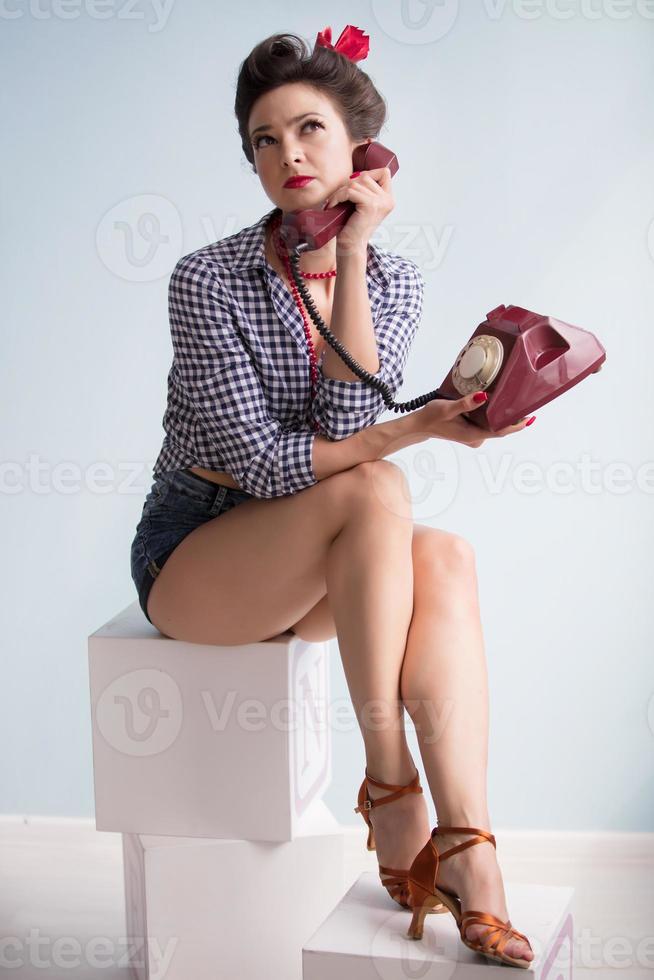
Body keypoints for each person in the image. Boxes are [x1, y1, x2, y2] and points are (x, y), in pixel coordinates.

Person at [129, 24, 535, 967]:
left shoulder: (388, 276)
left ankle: (469, 845)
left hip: (316, 565)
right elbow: (267, 464)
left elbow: (346, 415)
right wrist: (419, 426)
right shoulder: (208, 280)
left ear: (363, 153)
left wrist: (351, 253)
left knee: (444, 554)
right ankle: (391, 787)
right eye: (264, 140)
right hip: (200, 554)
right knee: (380, 484)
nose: (288, 155)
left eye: (309, 129)